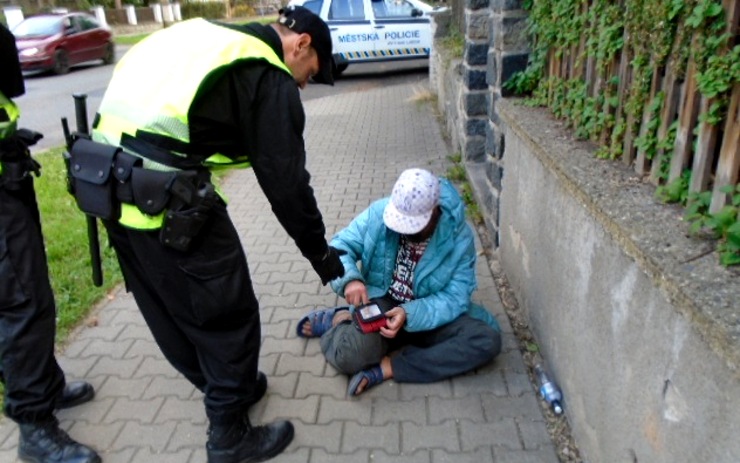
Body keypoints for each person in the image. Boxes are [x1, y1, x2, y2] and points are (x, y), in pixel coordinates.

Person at [76, 6, 344, 463]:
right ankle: (228, 436)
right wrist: (323, 257)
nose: (302, 86)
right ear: (300, 46)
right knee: (228, 312)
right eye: (309, 75)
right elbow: (287, 185)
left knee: (172, 311)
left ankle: (227, 387)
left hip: (107, 190)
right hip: (169, 202)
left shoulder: (204, 37)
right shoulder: (265, 71)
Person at [297, 168, 502, 396]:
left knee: (486, 340)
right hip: (383, 303)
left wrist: (409, 314)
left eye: (412, 224)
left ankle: (390, 367)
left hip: (428, 312)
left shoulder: (459, 238)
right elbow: (340, 246)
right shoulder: (379, 213)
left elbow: (455, 297)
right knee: (351, 357)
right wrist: (349, 281)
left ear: (434, 211)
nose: (402, 230)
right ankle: (341, 320)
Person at [0, 24, 101, 463]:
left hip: (8, 176)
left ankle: (46, 385)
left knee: (33, 294)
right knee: (20, 303)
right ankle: (33, 426)